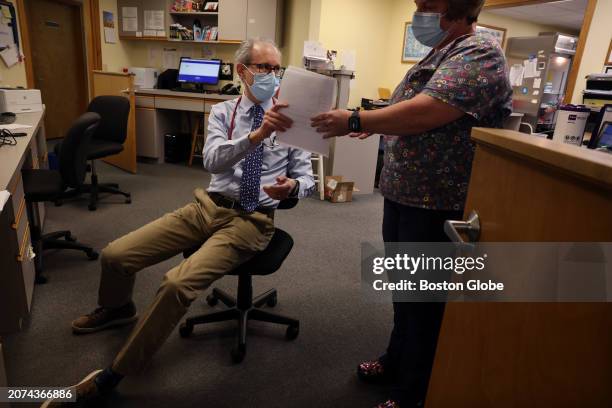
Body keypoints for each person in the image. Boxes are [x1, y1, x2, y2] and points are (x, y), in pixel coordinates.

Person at [43, 38, 314, 407]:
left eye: (275, 68)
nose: (271, 75)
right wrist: (256, 136)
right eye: (263, 67)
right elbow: (212, 161)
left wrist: (295, 185)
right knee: (115, 254)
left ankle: (113, 375)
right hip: (206, 206)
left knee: (176, 284)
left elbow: (309, 178)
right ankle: (118, 308)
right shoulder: (222, 112)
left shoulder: (292, 122)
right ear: (243, 70)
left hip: (251, 220)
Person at [311, 1, 512, 407]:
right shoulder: (441, 52)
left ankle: (413, 393)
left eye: (427, 6)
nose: (420, 13)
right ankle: (395, 361)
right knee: (404, 291)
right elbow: (409, 106)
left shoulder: (480, 52)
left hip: (437, 202)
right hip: (404, 195)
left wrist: (355, 120)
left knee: (424, 303)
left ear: (455, 9)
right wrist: (377, 117)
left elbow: (427, 113)